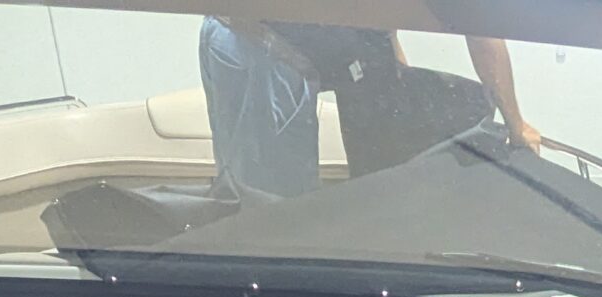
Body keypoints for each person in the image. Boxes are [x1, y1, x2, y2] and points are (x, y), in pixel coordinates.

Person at [198, 20, 541, 202]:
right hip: (264, 47)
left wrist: (401, 82)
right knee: (273, 216)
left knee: (257, 205)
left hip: (246, 37)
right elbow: (481, 30)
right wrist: (516, 125)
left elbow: (382, 20)